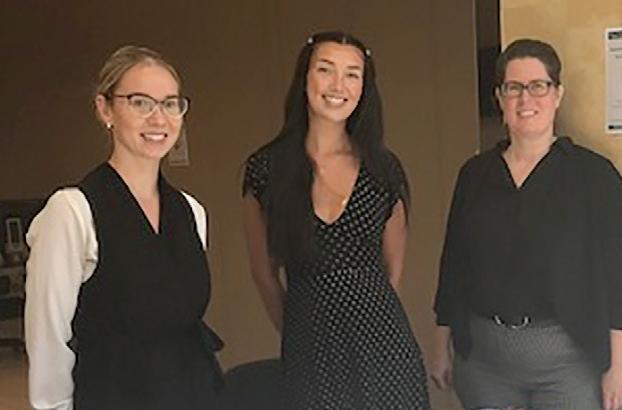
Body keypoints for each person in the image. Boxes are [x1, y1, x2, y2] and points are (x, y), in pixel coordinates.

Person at [430, 38, 622, 410]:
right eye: (513, 88)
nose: (525, 99)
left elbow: (621, 276)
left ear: (557, 94)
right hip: (484, 363)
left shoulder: (594, 175)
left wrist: (618, 367)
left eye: (538, 86)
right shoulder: (475, 175)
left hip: (566, 364)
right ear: (499, 98)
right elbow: (454, 265)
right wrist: (440, 346)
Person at [24, 45, 222, 410]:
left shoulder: (191, 211)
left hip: (193, 394)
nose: (158, 118)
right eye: (140, 102)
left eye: (170, 104)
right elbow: (48, 337)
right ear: (105, 109)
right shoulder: (72, 211)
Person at [242, 31, 430, 409]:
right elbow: (264, 273)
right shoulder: (266, 169)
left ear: (364, 88)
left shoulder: (383, 169)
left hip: (385, 349)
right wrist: (300, 331)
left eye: (352, 74)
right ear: (304, 78)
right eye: (325, 70)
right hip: (308, 350)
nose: (338, 85)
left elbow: (391, 273)